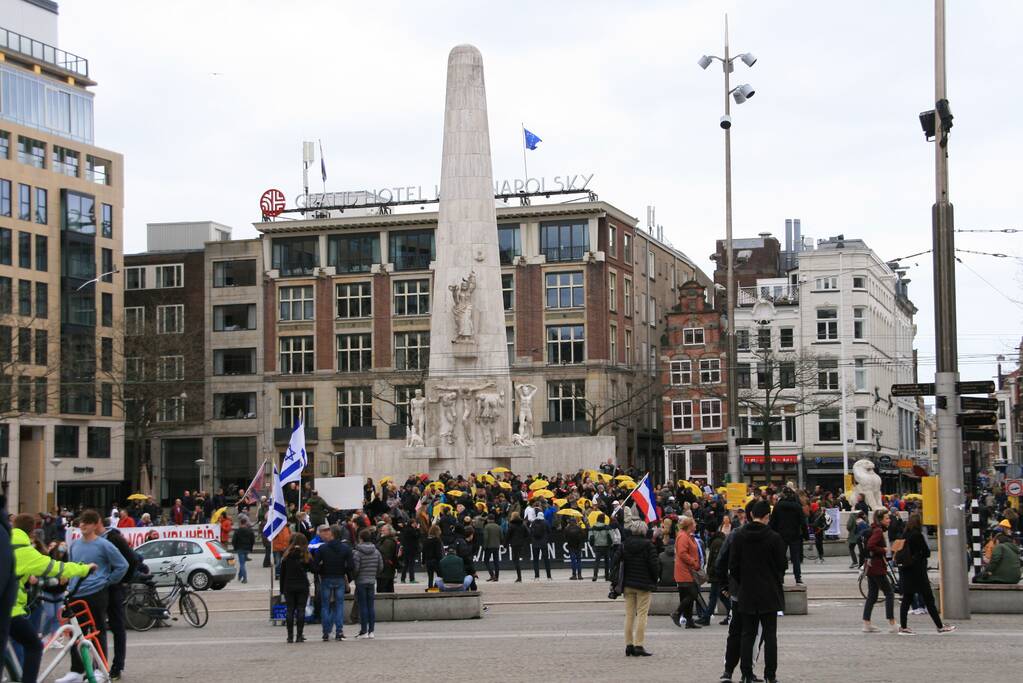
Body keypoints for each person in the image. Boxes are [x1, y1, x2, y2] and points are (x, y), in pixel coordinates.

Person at [10, 514, 94, 683]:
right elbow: (55, 567)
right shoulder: (24, 551)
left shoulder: (6, 544)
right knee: (34, 646)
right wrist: (84, 569)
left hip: (10, 608)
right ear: (32, 532)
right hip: (11, 610)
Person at [61, 509, 128, 683]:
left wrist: (107, 581)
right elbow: (71, 566)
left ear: (94, 524)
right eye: (81, 522)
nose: (82, 525)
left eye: (87, 522)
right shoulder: (75, 545)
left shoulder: (104, 544)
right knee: (76, 633)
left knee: (97, 632)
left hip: (96, 593)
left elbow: (122, 565)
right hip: (76, 593)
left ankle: (99, 669)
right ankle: (76, 670)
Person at [728, 500, 786, 683]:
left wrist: (743, 580)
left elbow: (733, 566)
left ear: (752, 515)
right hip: (769, 592)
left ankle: (746, 674)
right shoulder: (774, 538)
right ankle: (770, 675)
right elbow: (782, 566)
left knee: (747, 634)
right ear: (767, 517)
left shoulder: (739, 536)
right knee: (770, 636)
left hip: (747, 591)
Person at [896, 512, 956, 635]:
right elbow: (926, 552)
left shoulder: (904, 534)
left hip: (906, 570)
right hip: (918, 572)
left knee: (907, 598)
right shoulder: (917, 535)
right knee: (929, 599)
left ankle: (903, 626)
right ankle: (940, 626)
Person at [614, 518, 658, 657]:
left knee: (629, 615)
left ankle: (628, 644)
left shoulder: (624, 544)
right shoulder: (648, 545)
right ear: (644, 531)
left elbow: (615, 561)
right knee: (642, 615)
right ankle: (639, 645)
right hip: (644, 584)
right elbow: (654, 565)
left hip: (627, 584)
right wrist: (655, 578)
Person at [313, 525, 353, 641]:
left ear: (332, 534)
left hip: (326, 578)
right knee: (339, 605)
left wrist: (322, 570)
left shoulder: (323, 548)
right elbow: (351, 566)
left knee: (326, 606)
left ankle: (326, 632)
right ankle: (339, 631)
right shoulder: (345, 548)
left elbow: (315, 566)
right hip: (339, 578)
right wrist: (343, 570)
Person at [861, 509, 897, 634]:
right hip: (877, 567)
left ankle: (866, 624)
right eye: (887, 518)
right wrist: (883, 549)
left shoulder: (875, 529)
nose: (889, 520)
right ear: (881, 520)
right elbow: (870, 545)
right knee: (889, 592)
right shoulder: (878, 531)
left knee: (872, 595)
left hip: (871, 567)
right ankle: (892, 623)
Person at [770, 487, 807, 584]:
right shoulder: (797, 506)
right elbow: (803, 522)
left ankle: (781, 576)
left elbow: (773, 522)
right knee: (796, 558)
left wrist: (771, 534)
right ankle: (798, 578)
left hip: (781, 536)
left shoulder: (778, 506)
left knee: (781, 556)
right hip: (795, 535)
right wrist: (806, 535)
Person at [279, 534, 312, 644]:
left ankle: (289, 636)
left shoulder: (286, 554)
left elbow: (282, 574)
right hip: (302, 585)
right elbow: (313, 568)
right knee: (301, 610)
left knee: (290, 610)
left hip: (289, 585)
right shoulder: (305, 554)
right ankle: (299, 635)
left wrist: (281, 589)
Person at [351, 528, 383, 639]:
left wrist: (354, 577)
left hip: (361, 581)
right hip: (371, 581)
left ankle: (364, 630)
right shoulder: (376, 551)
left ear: (361, 538)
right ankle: (371, 631)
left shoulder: (357, 552)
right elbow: (380, 567)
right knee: (371, 606)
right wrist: (373, 574)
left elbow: (356, 568)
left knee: (363, 606)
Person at [698, 518, 728, 626]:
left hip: (717, 573)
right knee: (721, 595)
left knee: (714, 596)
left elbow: (716, 560)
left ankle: (706, 617)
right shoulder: (717, 541)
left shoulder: (717, 542)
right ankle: (731, 613)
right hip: (718, 573)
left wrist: (710, 571)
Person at [673, 516, 701, 629]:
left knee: (688, 595)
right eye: (694, 523)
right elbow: (682, 553)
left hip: (688, 569)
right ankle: (677, 613)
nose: (696, 525)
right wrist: (694, 563)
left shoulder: (687, 535)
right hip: (684, 570)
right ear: (689, 525)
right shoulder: (683, 536)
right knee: (693, 593)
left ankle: (689, 620)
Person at [974, 520, 1020, 585]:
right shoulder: (1013, 548)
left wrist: (987, 571)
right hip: (1016, 577)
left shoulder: (1000, 547)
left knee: (976, 578)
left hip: (1006, 577)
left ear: (998, 540)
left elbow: (995, 561)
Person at [505, 512, 530, 582]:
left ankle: (519, 577)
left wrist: (505, 544)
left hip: (514, 544)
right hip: (521, 544)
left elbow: (507, 536)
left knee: (515, 560)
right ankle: (519, 577)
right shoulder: (523, 524)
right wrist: (523, 539)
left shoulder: (511, 525)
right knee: (516, 559)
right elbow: (528, 533)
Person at [588, 513, 613, 582]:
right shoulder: (607, 527)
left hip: (597, 546)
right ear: (604, 519)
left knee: (597, 562)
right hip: (606, 546)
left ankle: (595, 575)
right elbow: (612, 537)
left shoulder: (593, 527)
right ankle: (607, 576)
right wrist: (611, 544)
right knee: (607, 562)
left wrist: (592, 545)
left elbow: (590, 537)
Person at [232, 515, 255, 584]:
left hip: (240, 548)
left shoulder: (237, 531)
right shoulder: (250, 531)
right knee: (243, 563)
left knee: (242, 564)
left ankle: (245, 578)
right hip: (247, 548)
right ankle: (240, 576)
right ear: (245, 523)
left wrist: (235, 547)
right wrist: (251, 548)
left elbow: (234, 541)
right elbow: (252, 540)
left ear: (240, 523)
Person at [529, 514, 551, 581]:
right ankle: (549, 576)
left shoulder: (533, 523)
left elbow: (530, 532)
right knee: (546, 560)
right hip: (543, 543)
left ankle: (536, 576)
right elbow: (549, 531)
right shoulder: (546, 522)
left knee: (535, 560)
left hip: (535, 544)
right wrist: (546, 539)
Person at [376, 525, 398, 594]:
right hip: (387, 571)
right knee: (388, 589)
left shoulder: (388, 541)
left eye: (384, 530)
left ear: (389, 531)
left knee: (383, 590)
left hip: (385, 571)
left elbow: (383, 554)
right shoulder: (385, 540)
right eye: (381, 530)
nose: (382, 531)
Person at [398, 519, 420, 584]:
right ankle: (412, 579)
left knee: (405, 565)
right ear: (412, 523)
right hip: (411, 550)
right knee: (411, 565)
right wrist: (418, 529)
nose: (416, 524)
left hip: (406, 549)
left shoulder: (405, 529)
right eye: (415, 523)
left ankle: (402, 579)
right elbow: (417, 536)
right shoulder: (412, 530)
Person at [421, 524, 443, 590]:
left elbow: (423, 552)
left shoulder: (426, 540)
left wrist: (423, 562)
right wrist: (441, 560)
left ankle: (430, 588)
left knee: (430, 577)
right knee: (440, 575)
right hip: (436, 561)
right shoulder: (437, 540)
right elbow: (438, 552)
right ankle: (436, 586)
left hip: (428, 561)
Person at [482, 515, 503, 581]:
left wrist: (484, 546)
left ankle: (492, 575)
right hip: (496, 546)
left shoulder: (486, 526)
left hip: (488, 546)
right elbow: (501, 537)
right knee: (496, 561)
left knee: (486, 561)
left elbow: (486, 538)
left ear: (488, 519)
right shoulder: (498, 526)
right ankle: (496, 577)